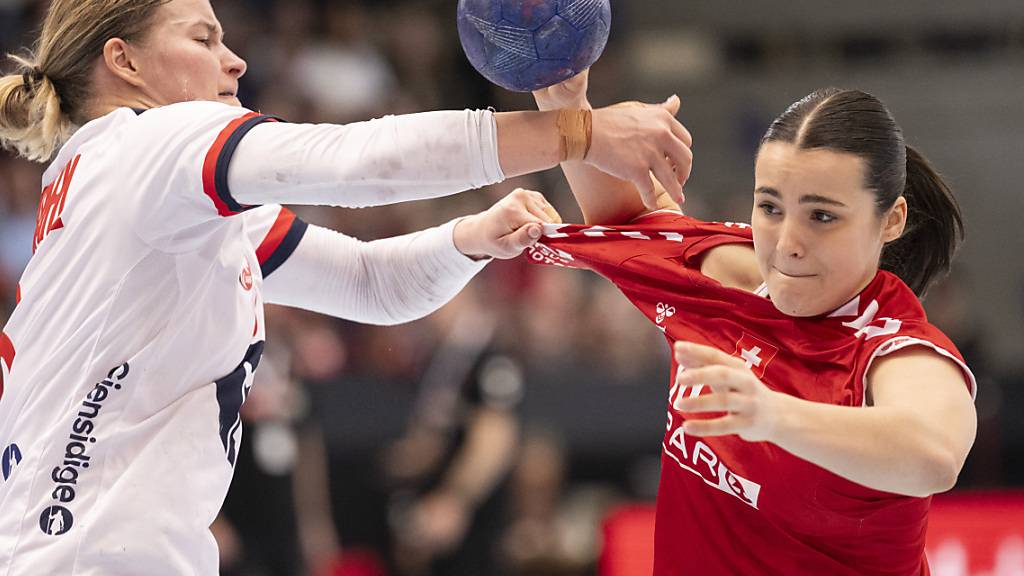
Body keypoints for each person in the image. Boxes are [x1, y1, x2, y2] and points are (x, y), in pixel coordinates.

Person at [0, 0, 696, 573]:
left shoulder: (143, 194)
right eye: (204, 37)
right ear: (123, 61)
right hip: (90, 556)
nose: (234, 59)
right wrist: (576, 132)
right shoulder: (150, 146)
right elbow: (355, 161)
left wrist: (469, 240)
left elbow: (368, 284)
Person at [527, 71, 977, 575]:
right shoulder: (724, 282)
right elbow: (627, 226)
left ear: (891, 220)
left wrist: (772, 416)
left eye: (822, 217)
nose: (787, 242)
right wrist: (566, 105)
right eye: (770, 207)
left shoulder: (897, 349)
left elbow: (932, 454)